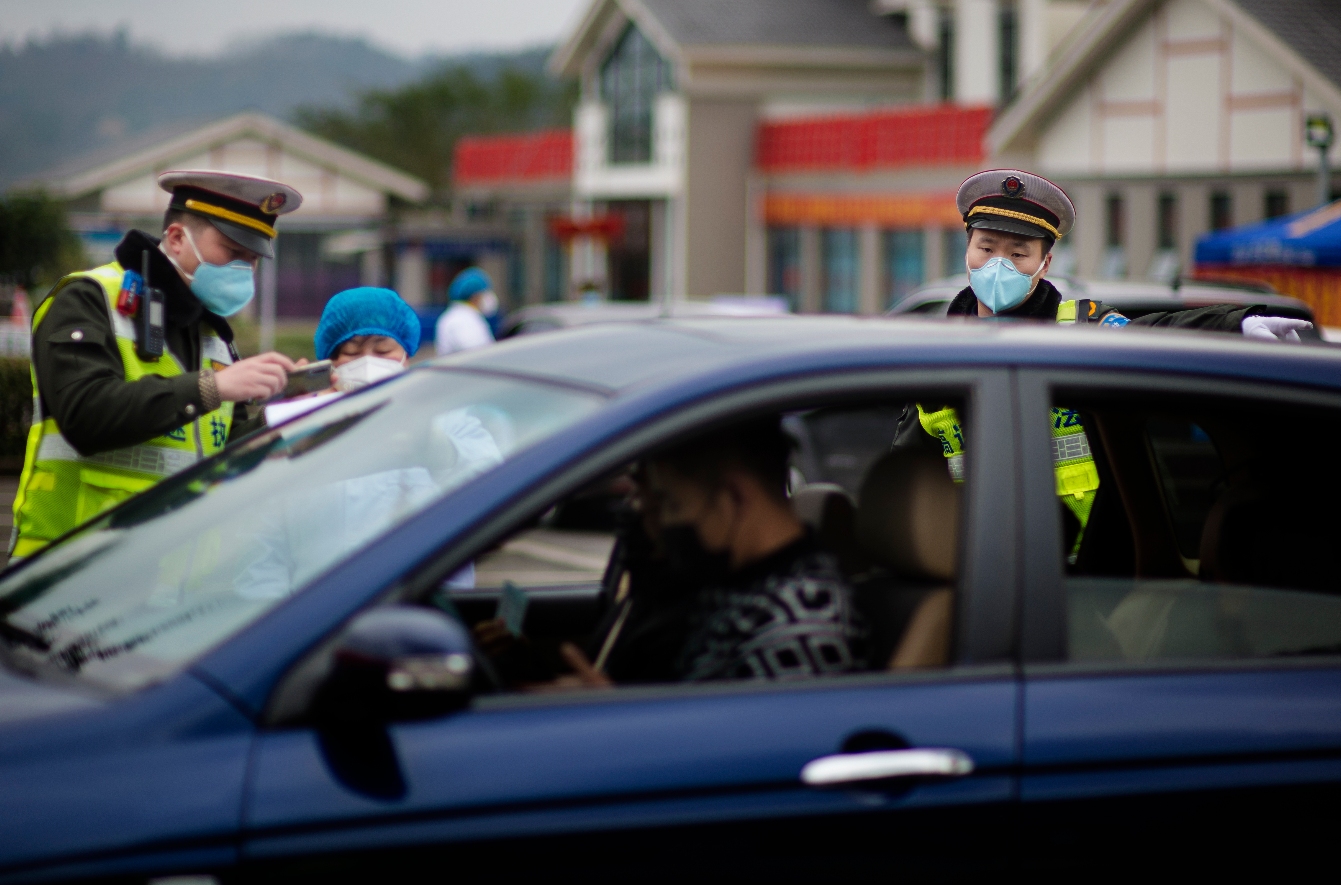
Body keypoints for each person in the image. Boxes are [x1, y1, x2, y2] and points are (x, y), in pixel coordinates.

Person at [896, 169, 1313, 553]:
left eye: (1019, 255)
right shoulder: (937, 353)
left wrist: (1232, 326)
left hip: (1083, 574)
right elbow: (906, 480)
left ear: (1045, 265)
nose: (998, 266)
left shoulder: (1080, 327)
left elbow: (1152, 336)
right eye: (985, 248)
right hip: (973, 567)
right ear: (966, 252)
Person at [10, 170, 303, 560]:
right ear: (178, 238)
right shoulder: (87, 298)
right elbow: (83, 414)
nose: (243, 271)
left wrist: (294, 412)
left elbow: (221, 449)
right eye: (232, 253)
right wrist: (210, 388)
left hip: (169, 590)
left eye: (252, 260)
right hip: (70, 575)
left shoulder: (212, 331)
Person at [482, 417, 867, 688]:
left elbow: (743, 766)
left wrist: (613, 717)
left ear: (733, 499)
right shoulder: (737, 586)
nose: (658, 525)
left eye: (671, 506)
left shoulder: (802, 624)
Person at [314, 286, 422, 391]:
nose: (367, 362)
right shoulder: (311, 406)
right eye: (351, 352)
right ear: (329, 361)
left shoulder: (428, 406)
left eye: (383, 350)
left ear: (406, 355)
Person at [435, 268, 498, 355]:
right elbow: (477, 353)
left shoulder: (463, 316)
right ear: (475, 297)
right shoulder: (462, 320)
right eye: (485, 293)